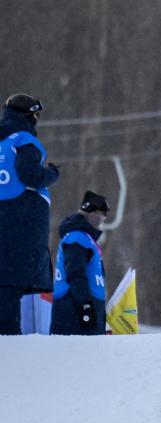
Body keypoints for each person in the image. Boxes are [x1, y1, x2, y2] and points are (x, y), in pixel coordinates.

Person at [0, 93, 60, 335]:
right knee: (11, 289)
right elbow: (31, 175)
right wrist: (52, 174)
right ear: (29, 115)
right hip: (20, 225)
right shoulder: (23, 139)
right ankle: (11, 344)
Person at [50, 191, 109, 335]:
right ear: (88, 213)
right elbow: (75, 273)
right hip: (73, 312)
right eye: (99, 215)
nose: (101, 220)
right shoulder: (77, 238)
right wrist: (86, 305)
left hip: (83, 310)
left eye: (103, 216)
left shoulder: (86, 239)